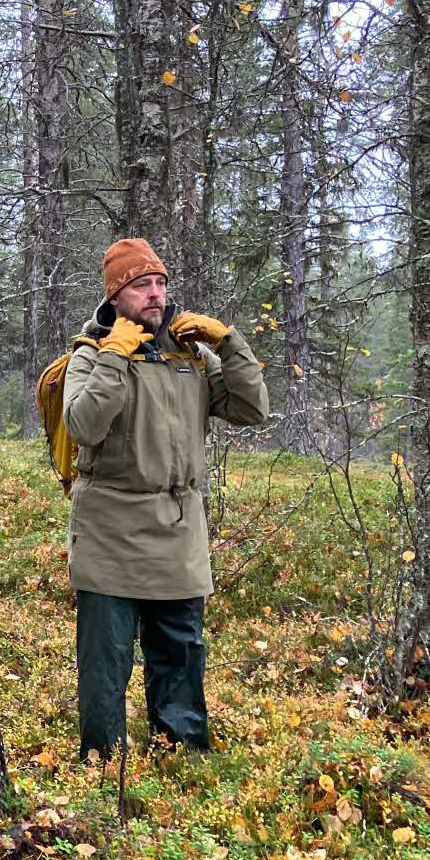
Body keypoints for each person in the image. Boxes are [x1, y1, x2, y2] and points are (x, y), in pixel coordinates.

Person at [60, 237, 269, 761]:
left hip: (178, 528)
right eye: (139, 286)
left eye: (159, 283)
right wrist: (113, 356)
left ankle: (183, 756)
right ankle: (103, 763)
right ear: (115, 298)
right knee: (106, 662)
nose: (154, 294)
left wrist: (229, 345)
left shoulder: (190, 356)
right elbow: (83, 424)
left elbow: (250, 409)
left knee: (180, 650)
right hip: (111, 528)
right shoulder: (89, 357)